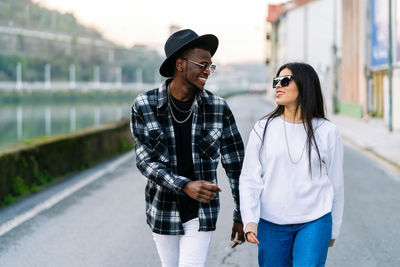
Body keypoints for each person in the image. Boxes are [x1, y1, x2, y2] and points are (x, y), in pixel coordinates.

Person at [130, 29, 245, 267]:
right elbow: (145, 162)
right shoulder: (144, 105)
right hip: (162, 209)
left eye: (210, 66)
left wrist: (242, 214)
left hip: (202, 212)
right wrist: (185, 186)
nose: (207, 71)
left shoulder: (218, 108)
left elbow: (236, 166)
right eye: (203, 64)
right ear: (180, 65)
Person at [239, 62, 344, 267]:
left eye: (285, 81)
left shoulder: (327, 131)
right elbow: (250, 177)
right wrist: (250, 220)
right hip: (271, 222)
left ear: (305, 85)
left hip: (315, 221)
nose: (278, 86)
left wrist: (334, 229)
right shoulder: (263, 128)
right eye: (276, 81)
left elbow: (336, 184)